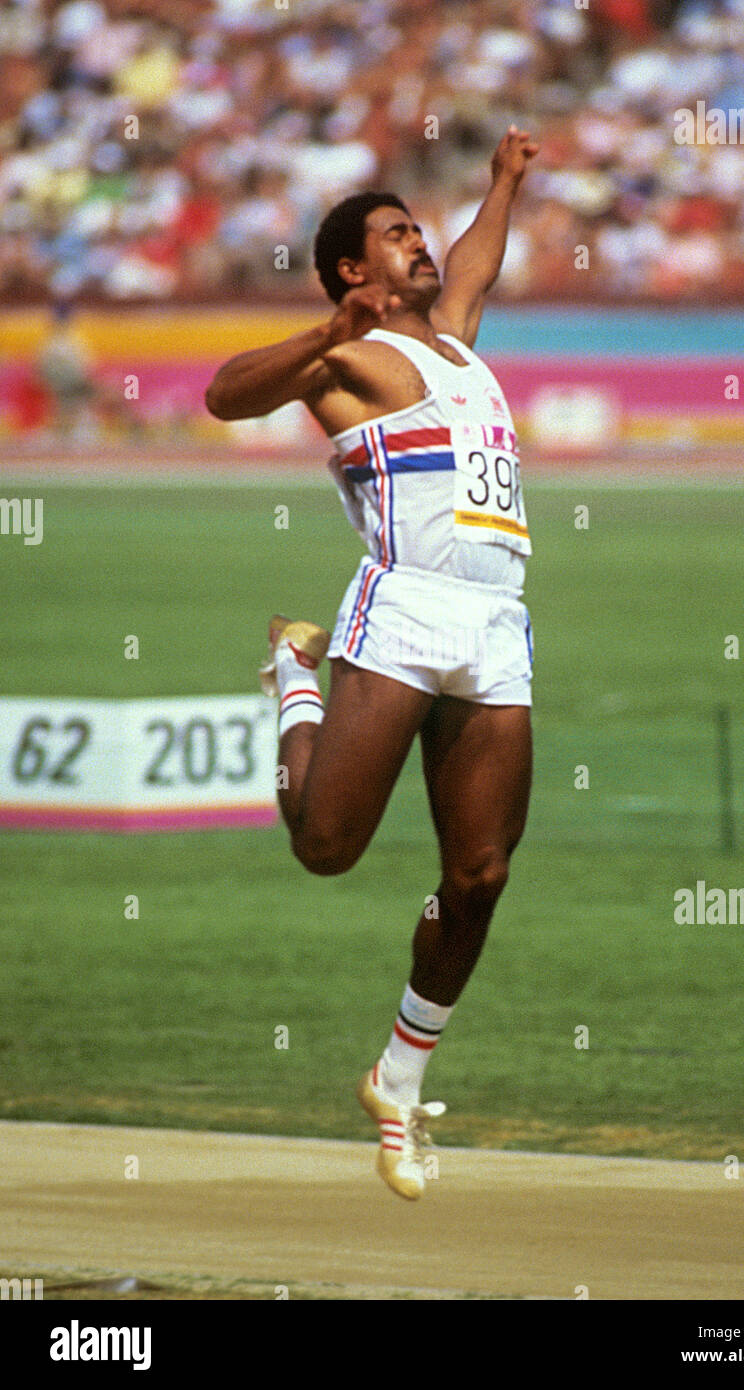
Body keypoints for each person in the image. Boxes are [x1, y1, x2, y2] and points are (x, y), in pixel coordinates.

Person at [205, 126, 539, 1200]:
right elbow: (223, 395)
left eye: (417, 227)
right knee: (326, 847)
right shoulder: (345, 356)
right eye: (397, 233)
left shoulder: (454, 341)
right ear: (354, 269)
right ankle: (293, 680)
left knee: (478, 875)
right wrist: (320, 332)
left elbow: (479, 258)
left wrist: (501, 183)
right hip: (402, 612)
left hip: (495, 624)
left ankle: (400, 1076)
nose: (421, 241)